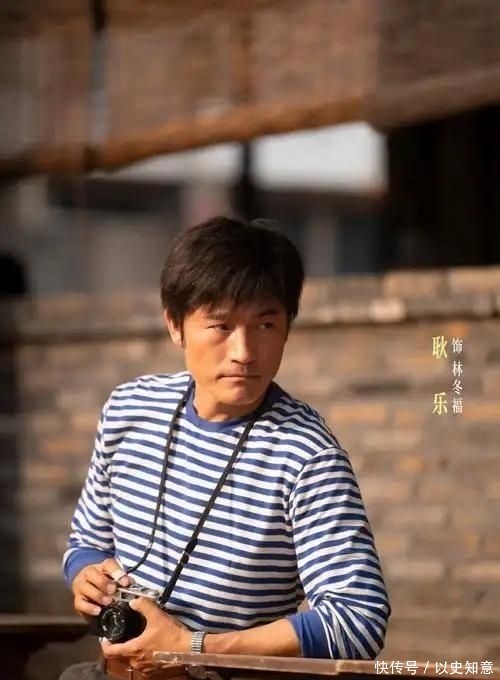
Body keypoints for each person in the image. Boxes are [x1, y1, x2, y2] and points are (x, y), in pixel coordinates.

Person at [61, 216, 390, 680]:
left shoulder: (307, 454)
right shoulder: (128, 409)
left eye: (265, 324)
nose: (244, 352)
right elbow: (87, 542)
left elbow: (358, 619)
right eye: (220, 325)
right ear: (175, 325)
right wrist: (86, 575)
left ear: (288, 328)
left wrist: (194, 648)